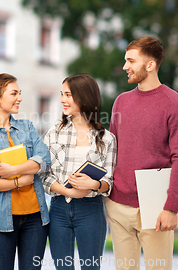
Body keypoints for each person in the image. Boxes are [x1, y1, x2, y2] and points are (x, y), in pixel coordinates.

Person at [106, 36, 178, 270]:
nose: (125, 66)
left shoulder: (176, 104)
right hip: (118, 205)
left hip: (155, 208)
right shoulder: (120, 102)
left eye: (131, 61)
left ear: (150, 65)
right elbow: (111, 151)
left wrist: (171, 207)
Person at [0, 73, 51, 270]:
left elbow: (44, 159)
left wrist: (14, 170)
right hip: (0, 221)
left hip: (35, 219)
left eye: (20, 93)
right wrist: (19, 181)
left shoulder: (27, 127)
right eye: (14, 93)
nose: (20, 98)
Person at [41, 74, 116, 270]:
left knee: (90, 267)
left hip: (90, 210)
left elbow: (109, 180)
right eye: (62, 94)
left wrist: (94, 184)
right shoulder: (53, 133)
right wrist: (69, 192)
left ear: (84, 96)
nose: (62, 100)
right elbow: (43, 175)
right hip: (58, 209)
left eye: (68, 95)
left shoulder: (107, 138)